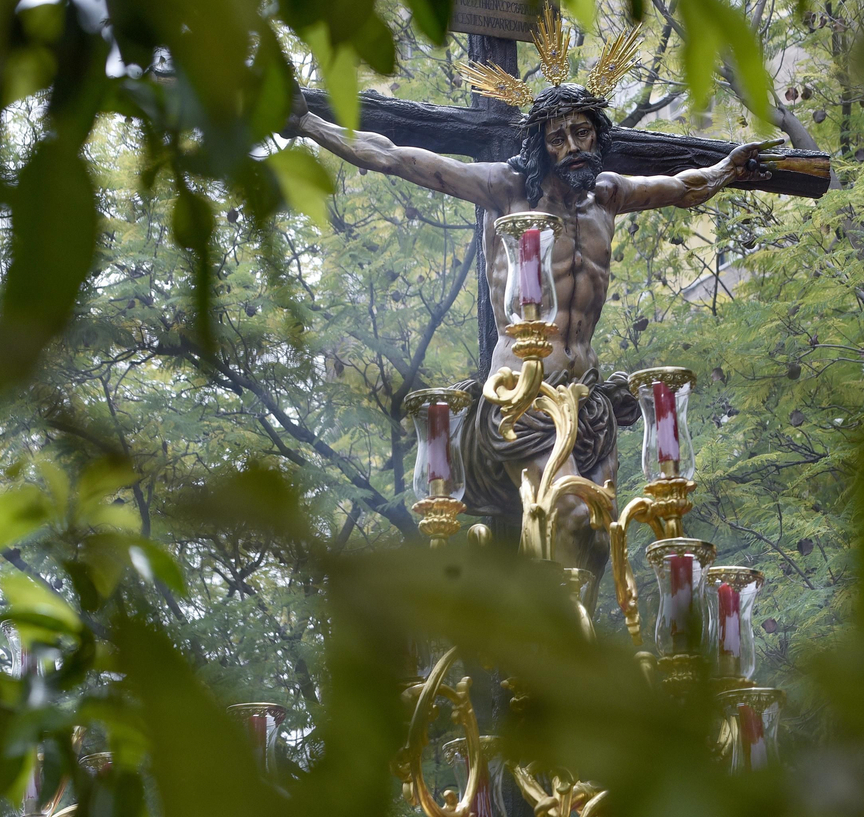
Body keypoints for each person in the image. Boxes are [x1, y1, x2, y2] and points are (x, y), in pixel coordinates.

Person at [296, 82, 780, 574]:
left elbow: (685, 187)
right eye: (557, 138)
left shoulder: (608, 196)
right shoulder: (507, 189)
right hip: (524, 396)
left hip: (588, 401)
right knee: (569, 518)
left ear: (597, 135)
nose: (571, 147)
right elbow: (395, 157)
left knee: (599, 540)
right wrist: (309, 123)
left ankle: (566, 623)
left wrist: (728, 169)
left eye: (581, 133)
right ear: (541, 146)